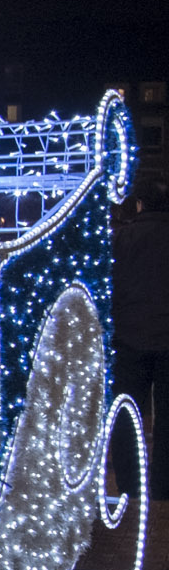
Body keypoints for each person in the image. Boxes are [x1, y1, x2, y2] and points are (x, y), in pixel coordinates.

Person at [113, 170, 169, 502]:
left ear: (138, 205)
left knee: (126, 417)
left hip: (129, 340)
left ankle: (131, 489)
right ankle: (163, 489)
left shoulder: (120, 240)